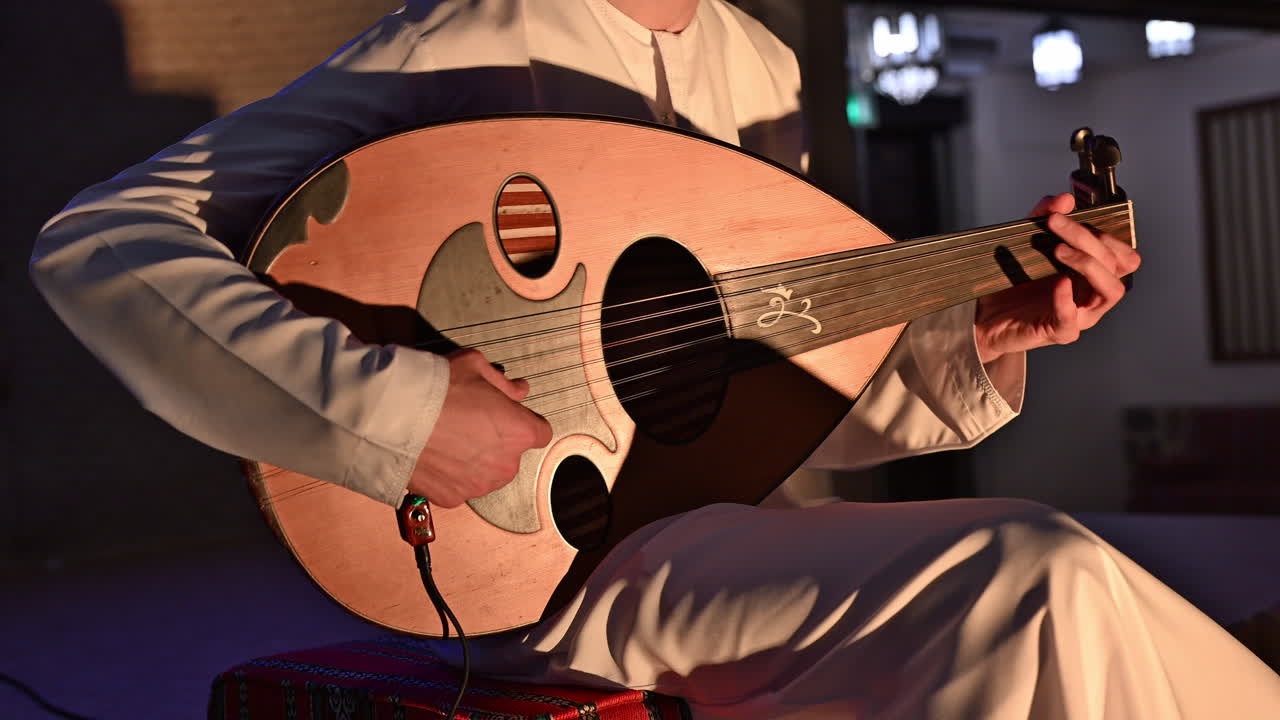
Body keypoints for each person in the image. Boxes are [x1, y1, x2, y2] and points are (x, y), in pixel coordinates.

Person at [28, 1, 1279, 717]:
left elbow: (740, 396)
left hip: (726, 531)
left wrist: (982, 333)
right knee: (1030, 573)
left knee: (1066, 585)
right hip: (546, 567)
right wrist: (396, 412)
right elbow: (101, 241)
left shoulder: (759, 65)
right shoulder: (471, 31)